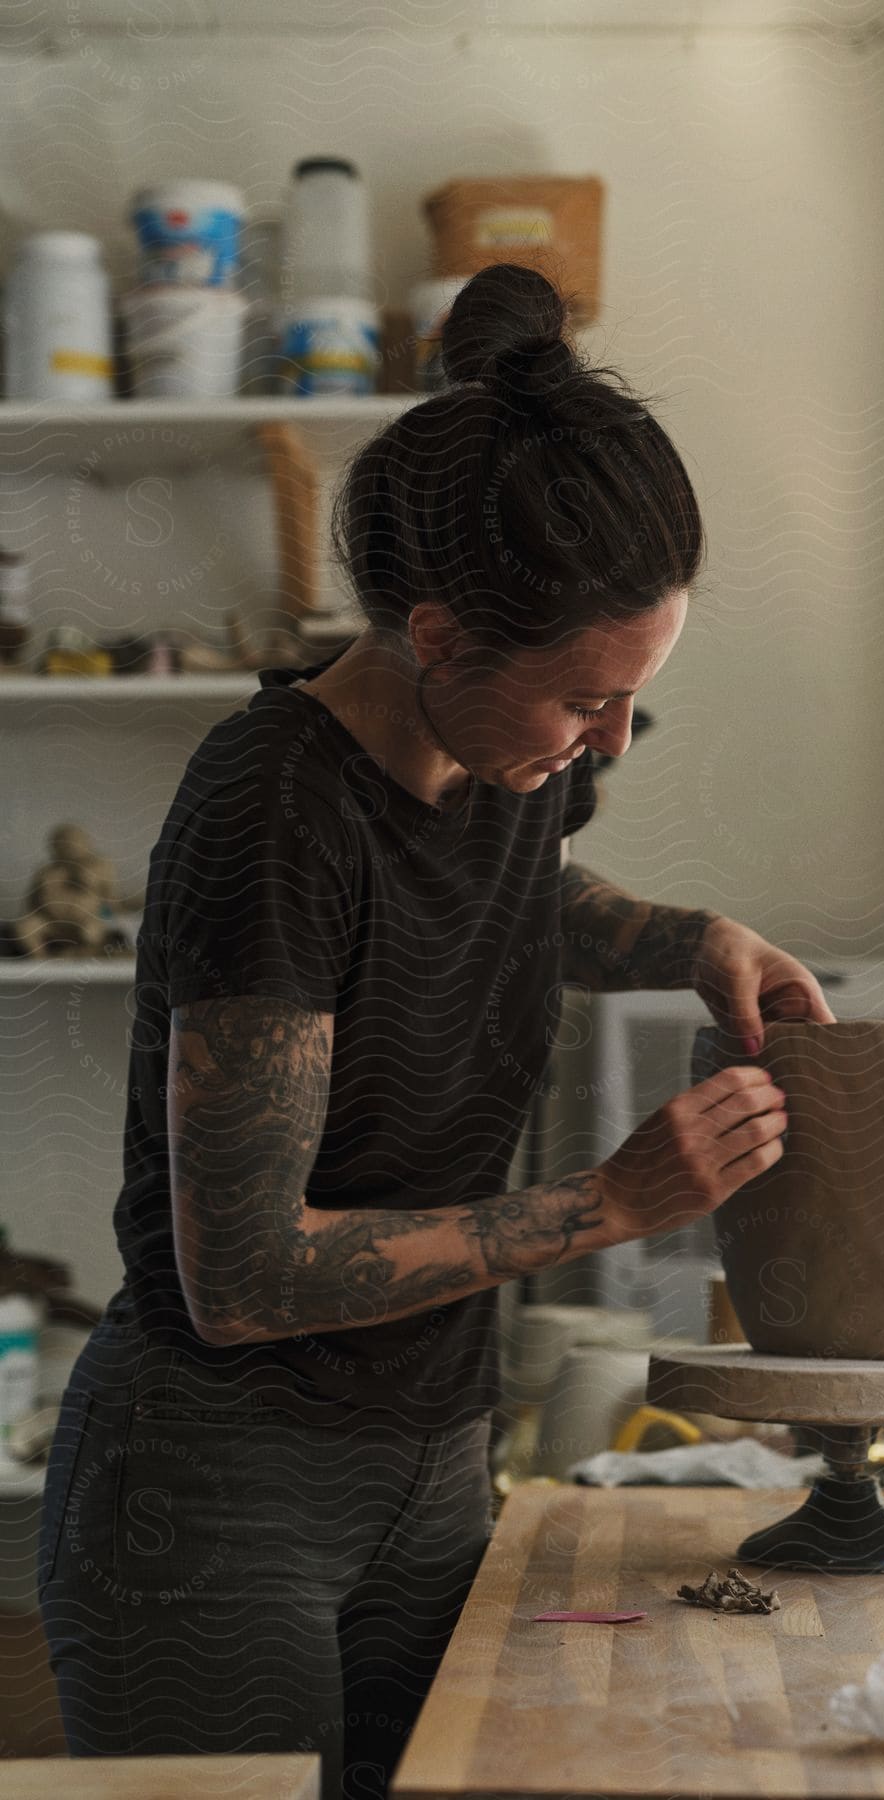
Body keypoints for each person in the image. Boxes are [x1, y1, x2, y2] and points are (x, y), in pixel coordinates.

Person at [37, 262, 836, 1800]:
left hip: (433, 1457)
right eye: (585, 702)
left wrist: (688, 940)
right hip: (216, 1485)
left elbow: (510, 893)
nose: (606, 741)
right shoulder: (271, 809)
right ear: (439, 636)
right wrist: (610, 1206)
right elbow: (247, 1276)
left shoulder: (496, 767)